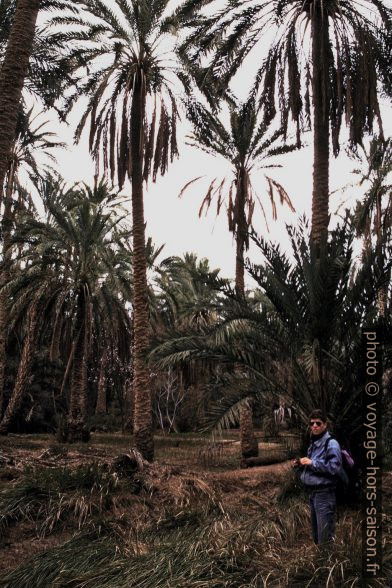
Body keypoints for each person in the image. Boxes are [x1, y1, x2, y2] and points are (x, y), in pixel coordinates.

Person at [293, 410, 342, 545]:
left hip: (324, 494)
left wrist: (311, 462)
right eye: (312, 423)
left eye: (318, 423)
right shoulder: (314, 443)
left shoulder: (331, 444)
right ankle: (321, 563)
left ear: (325, 425)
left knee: (325, 538)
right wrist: (301, 464)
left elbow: (334, 467)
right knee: (316, 536)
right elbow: (314, 465)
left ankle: (328, 564)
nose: (314, 426)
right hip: (313, 494)